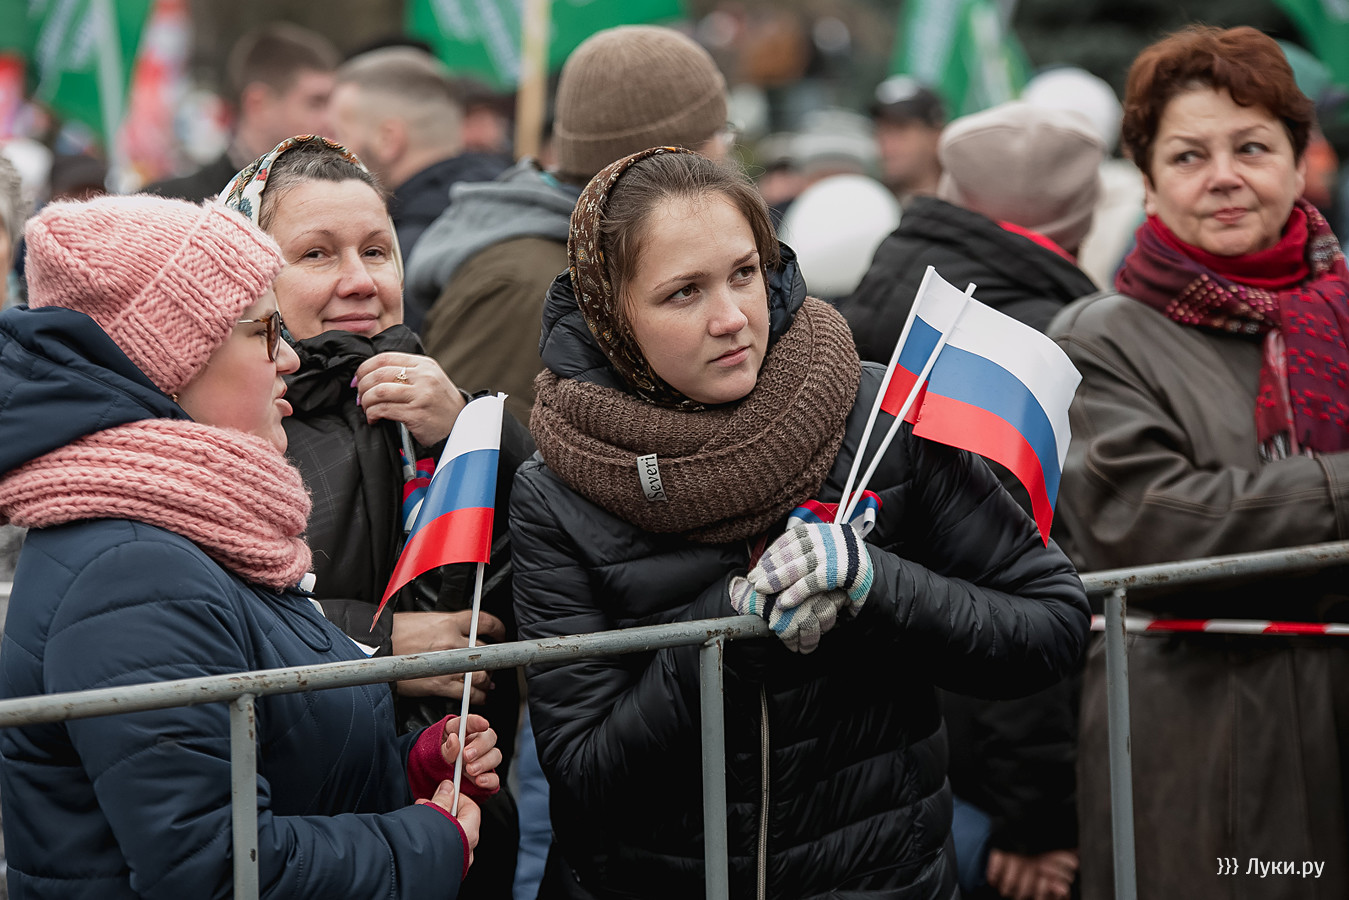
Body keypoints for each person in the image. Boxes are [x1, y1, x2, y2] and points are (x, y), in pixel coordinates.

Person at [512, 146, 1091, 899]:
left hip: (878, 881)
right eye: (683, 292)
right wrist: (726, 631)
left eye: (744, 273)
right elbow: (585, 768)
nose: (731, 318)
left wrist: (875, 584)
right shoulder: (557, 485)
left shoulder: (877, 414)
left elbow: (1049, 624)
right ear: (612, 315)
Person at [0, 193, 500, 897]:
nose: (289, 355)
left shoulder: (191, 526)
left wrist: (411, 767)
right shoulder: (134, 571)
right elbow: (216, 870)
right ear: (174, 360)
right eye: (265, 330)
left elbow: (274, 764)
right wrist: (424, 844)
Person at [1047, 25, 1349, 899]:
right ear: (1146, 183)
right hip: (1203, 751)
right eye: (1187, 155)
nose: (1223, 175)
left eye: (1251, 147)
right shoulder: (1099, 339)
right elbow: (1150, 526)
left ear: (1298, 162)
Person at [221, 135, 533, 899]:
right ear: (247, 275)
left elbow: (549, 556)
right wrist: (384, 640)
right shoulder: (226, 426)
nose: (359, 281)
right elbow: (203, 621)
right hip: (305, 823)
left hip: (462, 804)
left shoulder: (441, 404)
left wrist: (474, 428)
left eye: (376, 251)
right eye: (316, 254)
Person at [405, 25, 731, 424]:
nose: (727, 150)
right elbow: (472, 440)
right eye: (721, 133)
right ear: (674, 159)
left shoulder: (606, 251)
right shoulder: (526, 281)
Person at [328, 47, 508, 272]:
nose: (332, 150)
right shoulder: (507, 198)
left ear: (388, 140)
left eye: (340, 135)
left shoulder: (404, 256)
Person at [146, 23, 337, 201]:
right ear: (259, 105)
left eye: (333, 104)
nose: (330, 119)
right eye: (316, 103)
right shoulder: (172, 204)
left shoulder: (334, 200)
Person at [870, 75, 946, 204]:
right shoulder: (870, 203)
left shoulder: (969, 201)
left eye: (900, 130)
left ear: (935, 135)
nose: (887, 144)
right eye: (881, 131)